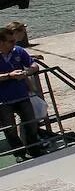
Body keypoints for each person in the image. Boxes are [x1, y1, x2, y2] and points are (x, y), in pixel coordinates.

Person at [0, 26, 43, 159]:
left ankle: (34, 150)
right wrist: (9, 75)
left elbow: (34, 65)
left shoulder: (18, 51)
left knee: (31, 124)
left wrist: (26, 72)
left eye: (14, 41)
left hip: (22, 95)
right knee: (10, 129)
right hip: (3, 100)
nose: (14, 44)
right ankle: (19, 154)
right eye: (11, 41)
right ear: (1, 42)